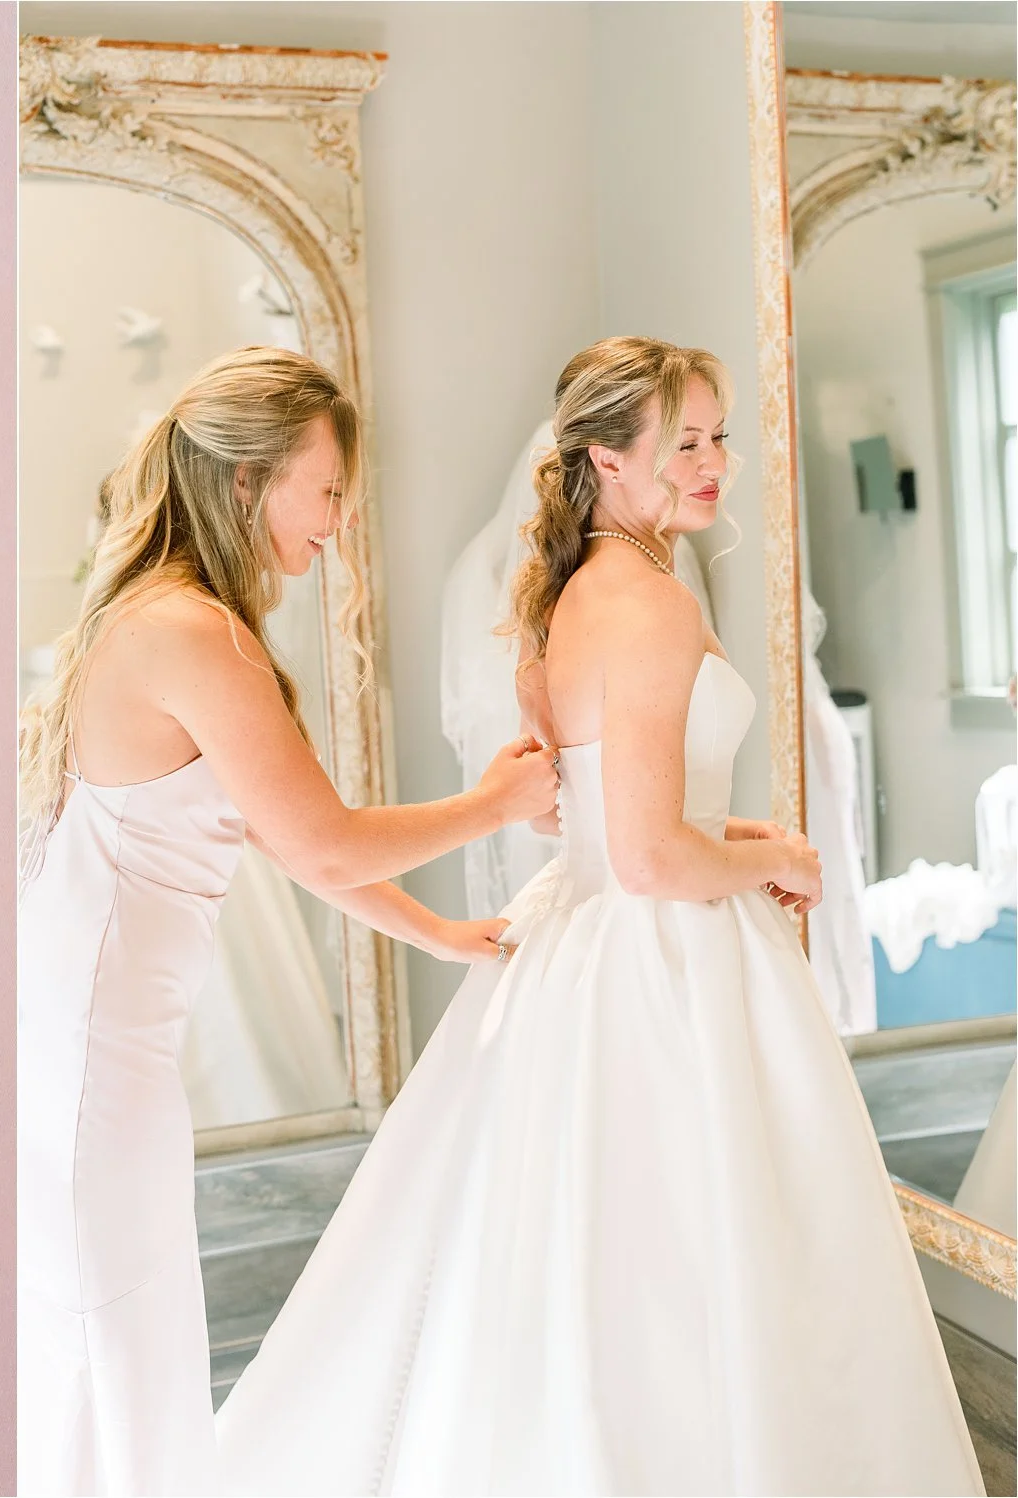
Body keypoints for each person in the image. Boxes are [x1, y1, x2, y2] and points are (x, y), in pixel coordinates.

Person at [214, 336, 984, 1496]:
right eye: (684, 440)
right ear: (604, 459)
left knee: (579, 1263)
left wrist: (734, 847)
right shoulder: (651, 606)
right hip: (660, 960)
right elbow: (648, 856)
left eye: (719, 434)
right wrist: (772, 849)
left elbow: (615, 829)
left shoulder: (576, 597)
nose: (715, 460)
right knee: (694, 1262)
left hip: (585, 943)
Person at [16, 346, 560, 1496]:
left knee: (126, 1320)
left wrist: (435, 934)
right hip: (88, 1054)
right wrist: (493, 803)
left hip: (101, 1039)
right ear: (245, 484)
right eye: (325, 493)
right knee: (108, 1328)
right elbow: (319, 838)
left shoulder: (174, 619)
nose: (338, 523)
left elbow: (273, 835)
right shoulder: (187, 634)